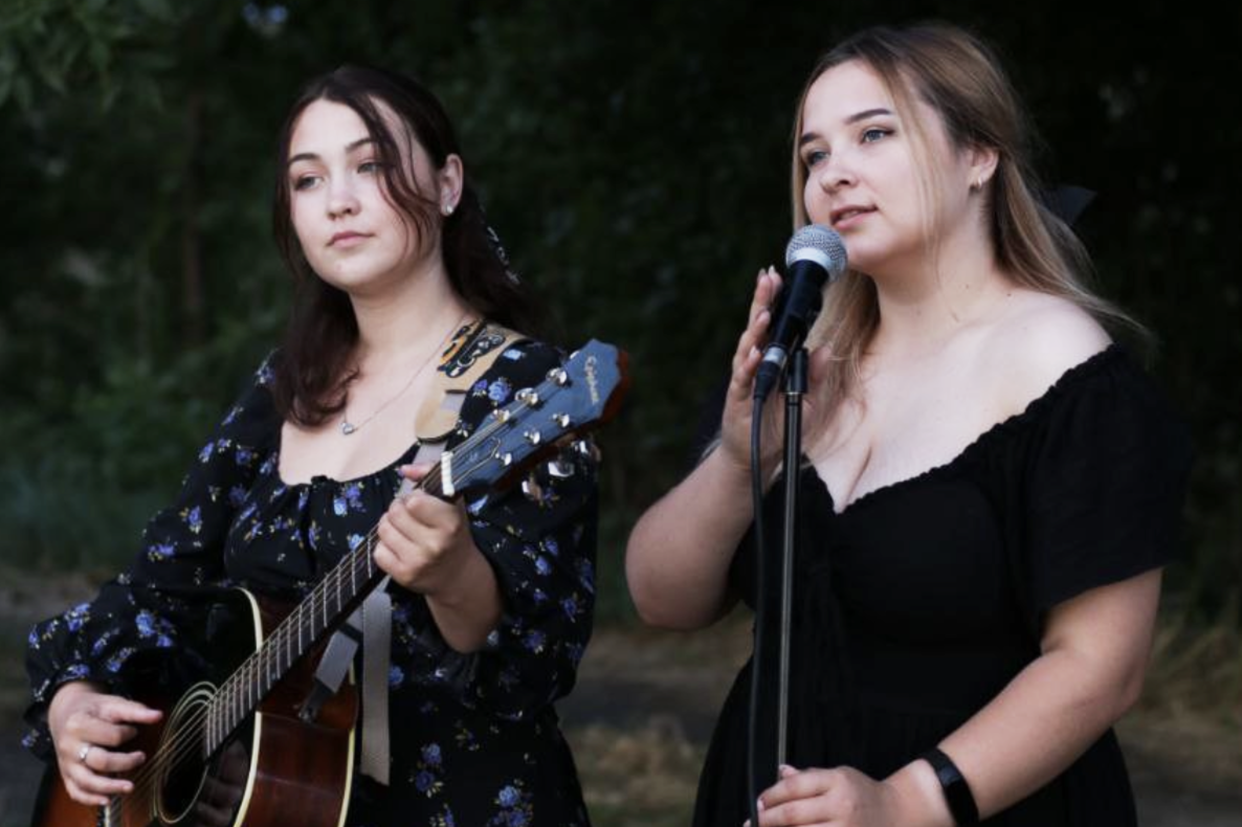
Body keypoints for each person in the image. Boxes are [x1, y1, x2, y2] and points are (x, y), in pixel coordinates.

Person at [625, 22, 1192, 827]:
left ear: (978, 155)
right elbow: (661, 600)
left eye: (874, 134)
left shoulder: (1068, 371)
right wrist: (735, 454)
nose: (834, 175)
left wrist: (906, 800)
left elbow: (1102, 667)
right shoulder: (805, 352)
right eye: (814, 154)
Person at [25, 65, 598, 826]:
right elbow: (156, 593)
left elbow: (531, 665)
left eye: (373, 165)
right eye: (307, 179)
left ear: (449, 182)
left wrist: (456, 572)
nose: (340, 200)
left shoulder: (523, 393)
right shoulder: (284, 390)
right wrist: (75, 699)